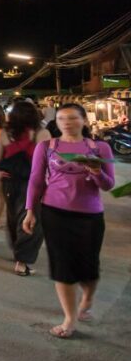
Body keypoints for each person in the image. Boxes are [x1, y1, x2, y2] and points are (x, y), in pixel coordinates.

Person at [23, 103, 116, 339]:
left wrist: (96, 171)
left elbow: (109, 185)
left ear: (84, 120)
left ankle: (88, 297)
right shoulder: (47, 146)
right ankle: (69, 319)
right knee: (62, 266)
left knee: (89, 268)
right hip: (54, 212)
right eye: (62, 118)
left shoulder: (99, 147)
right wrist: (30, 210)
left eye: (73, 118)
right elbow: (35, 180)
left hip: (90, 214)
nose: (67, 122)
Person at [0, 100, 51, 277]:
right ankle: (22, 261)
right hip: (33, 182)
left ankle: (17, 251)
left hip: (9, 180)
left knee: (13, 216)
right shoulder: (42, 133)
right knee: (32, 218)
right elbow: (50, 161)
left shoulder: (6, 133)